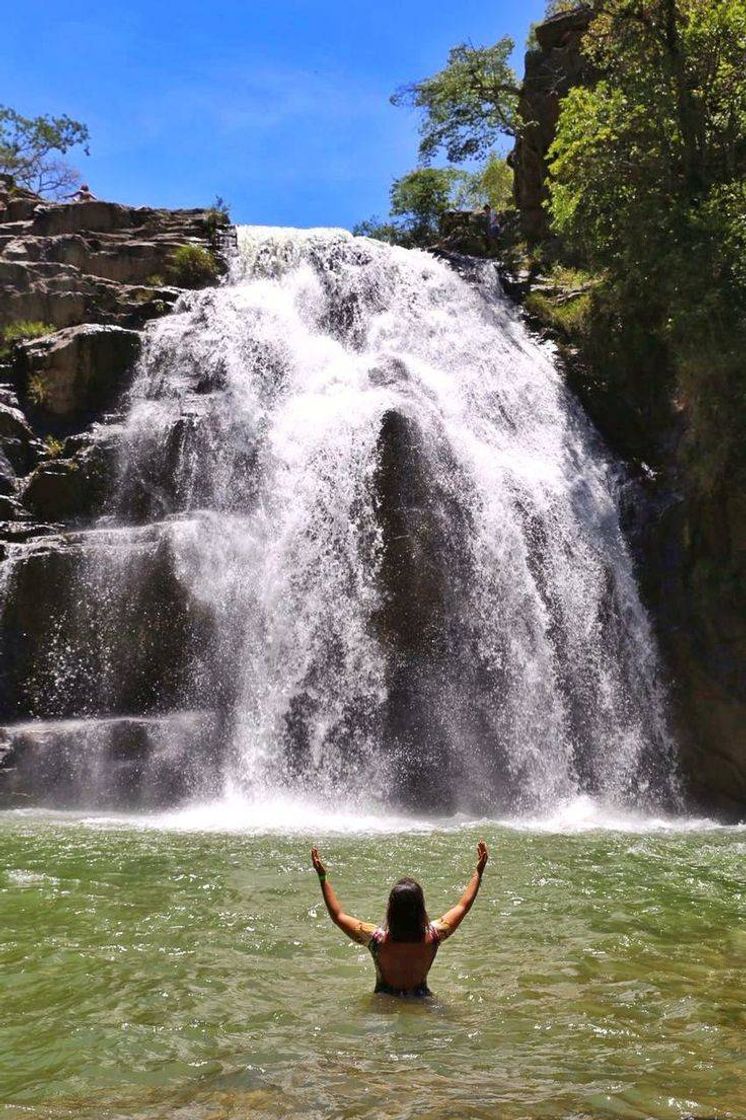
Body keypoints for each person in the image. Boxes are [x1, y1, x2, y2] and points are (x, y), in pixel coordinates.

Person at [310, 840, 489, 997]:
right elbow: (462, 907)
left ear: (391, 909)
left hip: (383, 1005)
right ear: (420, 908)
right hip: (422, 1002)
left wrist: (322, 877)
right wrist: (478, 872)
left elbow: (338, 915)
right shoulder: (434, 935)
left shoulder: (376, 939)